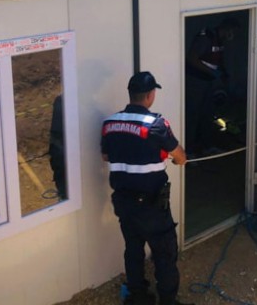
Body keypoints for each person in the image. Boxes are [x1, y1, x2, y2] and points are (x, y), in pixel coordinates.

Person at [101, 71, 190, 305]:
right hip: (152, 206)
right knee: (164, 253)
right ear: (150, 95)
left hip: (124, 202)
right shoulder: (156, 125)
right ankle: (168, 301)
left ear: (131, 94)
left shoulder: (109, 124)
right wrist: (173, 158)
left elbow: (106, 155)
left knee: (133, 249)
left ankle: (138, 297)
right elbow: (180, 156)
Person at [184, 18, 240, 157]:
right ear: (226, 28)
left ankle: (207, 147)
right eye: (232, 31)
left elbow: (217, 60)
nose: (232, 35)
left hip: (209, 82)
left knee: (207, 114)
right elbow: (192, 58)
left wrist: (223, 74)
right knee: (192, 115)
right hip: (196, 81)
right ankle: (189, 151)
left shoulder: (220, 41)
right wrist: (212, 72)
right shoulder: (206, 37)